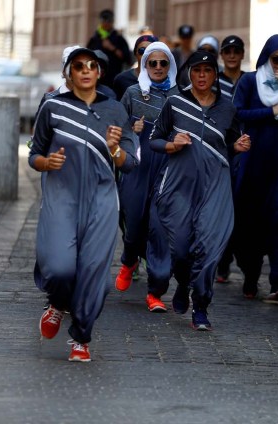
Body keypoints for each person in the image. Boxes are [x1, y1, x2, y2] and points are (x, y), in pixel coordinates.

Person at [29, 47, 139, 362]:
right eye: (79, 66)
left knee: (97, 277)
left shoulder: (116, 110)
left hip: (102, 200)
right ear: (69, 73)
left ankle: (81, 337)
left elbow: (130, 162)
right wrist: (45, 162)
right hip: (62, 197)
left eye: (92, 65)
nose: (86, 70)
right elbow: (34, 152)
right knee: (59, 268)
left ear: (99, 73)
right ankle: (58, 303)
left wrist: (116, 150)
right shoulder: (52, 108)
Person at [149, 50, 251, 330]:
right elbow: (154, 140)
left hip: (215, 185)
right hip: (180, 184)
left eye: (207, 71)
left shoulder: (227, 108)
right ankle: (183, 282)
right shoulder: (175, 102)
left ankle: (201, 305)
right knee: (181, 250)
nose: (202, 76)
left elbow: (228, 145)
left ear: (215, 75)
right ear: (189, 73)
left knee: (209, 248)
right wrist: (173, 144)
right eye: (196, 71)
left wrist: (237, 147)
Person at [231, 34, 278, 301]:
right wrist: (269, 113)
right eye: (277, 59)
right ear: (266, 57)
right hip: (254, 162)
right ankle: (250, 276)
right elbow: (237, 112)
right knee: (250, 221)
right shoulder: (250, 82)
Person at [116, 42, 178, 313]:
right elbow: (116, 128)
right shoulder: (132, 92)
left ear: (170, 66)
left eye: (163, 63)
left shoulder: (178, 95)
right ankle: (129, 259)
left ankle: (156, 290)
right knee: (135, 220)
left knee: (160, 226)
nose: (157, 68)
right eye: (151, 63)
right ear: (143, 66)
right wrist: (132, 126)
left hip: (166, 165)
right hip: (138, 165)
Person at [214, 34, 246, 283]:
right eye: (228, 51)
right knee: (223, 204)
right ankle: (222, 261)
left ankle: (244, 262)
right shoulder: (214, 83)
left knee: (243, 205)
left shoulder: (251, 81)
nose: (232, 55)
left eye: (236, 50)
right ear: (222, 55)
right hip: (222, 147)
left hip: (247, 149)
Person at [87, 9, 134, 88]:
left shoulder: (119, 38)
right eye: (104, 21)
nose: (106, 23)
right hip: (96, 81)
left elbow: (128, 59)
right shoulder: (94, 39)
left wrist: (112, 48)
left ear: (112, 22)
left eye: (108, 21)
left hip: (114, 79)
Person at [113, 34, 158, 100]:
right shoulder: (121, 79)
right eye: (142, 51)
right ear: (135, 53)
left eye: (151, 51)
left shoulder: (166, 81)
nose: (146, 55)